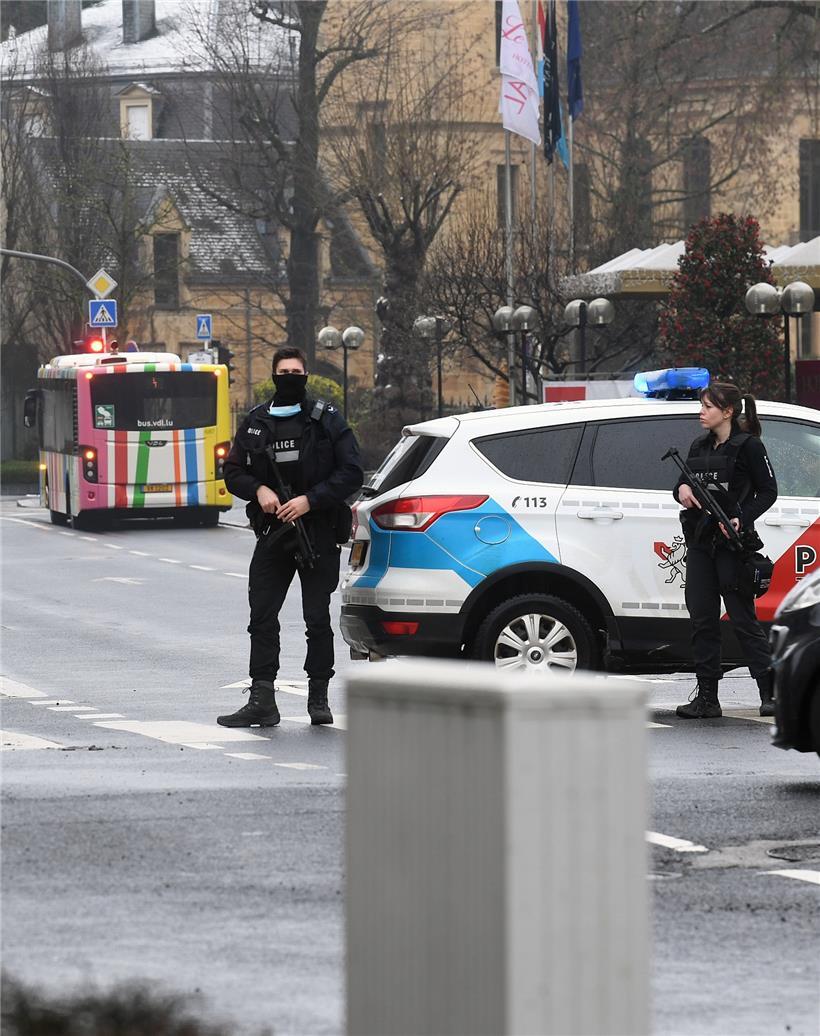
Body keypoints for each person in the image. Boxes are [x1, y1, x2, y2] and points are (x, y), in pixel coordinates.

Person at [218, 346, 363, 728]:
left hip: (317, 532)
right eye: (283, 372)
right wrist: (259, 490)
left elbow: (352, 471)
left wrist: (309, 500)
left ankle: (319, 697)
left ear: (306, 376)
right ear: (273, 376)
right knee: (262, 615)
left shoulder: (326, 419)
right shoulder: (256, 421)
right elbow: (232, 470)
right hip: (274, 532)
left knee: (316, 618)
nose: (290, 378)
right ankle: (262, 699)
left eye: (296, 372)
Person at [673, 381, 778, 719]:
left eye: (708, 407)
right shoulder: (699, 445)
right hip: (701, 543)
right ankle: (707, 698)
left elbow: (768, 491)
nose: (701, 412)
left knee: (743, 619)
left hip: (733, 545)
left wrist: (740, 518)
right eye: (702, 406)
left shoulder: (749, 446)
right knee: (702, 620)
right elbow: (682, 483)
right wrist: (682, 490)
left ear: (728, 411)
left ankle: (769, 693)